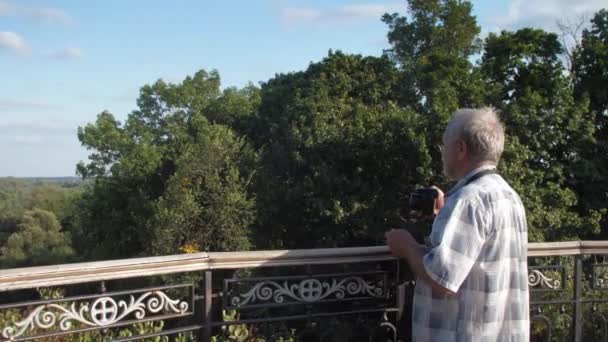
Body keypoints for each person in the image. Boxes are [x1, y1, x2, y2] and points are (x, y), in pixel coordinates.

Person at [385, 107, 529, 341]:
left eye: (445, 144)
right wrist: (443, 215)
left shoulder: (468, 200)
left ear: (461, 148)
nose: (442, 152)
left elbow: (443, 278)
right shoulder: (508, 195)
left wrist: (406, 246)